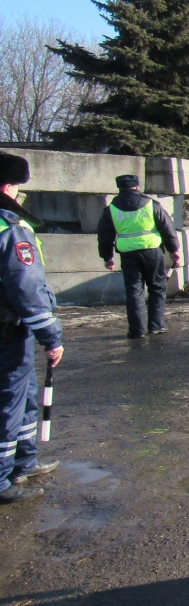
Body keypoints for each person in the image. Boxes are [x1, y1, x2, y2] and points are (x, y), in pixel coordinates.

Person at [0, 153, 64, 505]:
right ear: (8, 186)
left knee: (23, 398)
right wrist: (51, 336)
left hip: (10, 329)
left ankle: (23, 461)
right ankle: (2, 478)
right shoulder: (10, 227)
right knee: (9, 401)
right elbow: (25, 286)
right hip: (9, 330)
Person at [97, 174, 181, 339]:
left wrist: (107, 257)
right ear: (137, 186)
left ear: (119, 188)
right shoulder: (151, 204)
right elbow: (167, 227)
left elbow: (104, 235)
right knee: (157, 287)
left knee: (134, 290)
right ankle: (156, 326)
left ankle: (137, 330)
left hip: (128, 254)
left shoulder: (111, 210)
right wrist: (174, 249)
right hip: (152, 251)